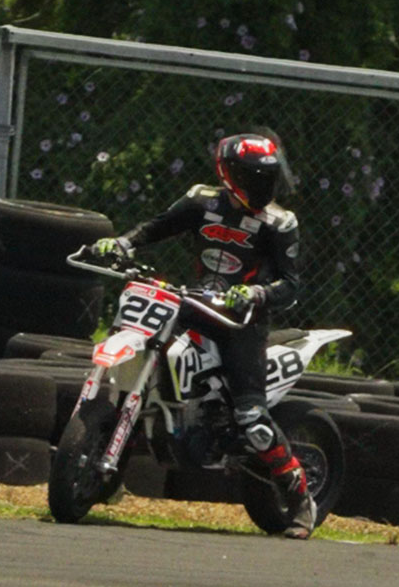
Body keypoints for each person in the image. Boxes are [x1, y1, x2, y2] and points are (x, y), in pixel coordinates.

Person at [92, 131, 315, 539]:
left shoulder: (281, 223)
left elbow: (292, 286)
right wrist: (124, 243)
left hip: (243, 322)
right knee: (149, 346)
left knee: (252, 417)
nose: (263, 184)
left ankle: (299, 496)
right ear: (230, 174)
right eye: (253, 176)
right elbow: (158, 227)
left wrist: (256, 292)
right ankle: (112, 466)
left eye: (268, 175)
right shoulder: (201, 201)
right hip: (193, 305)